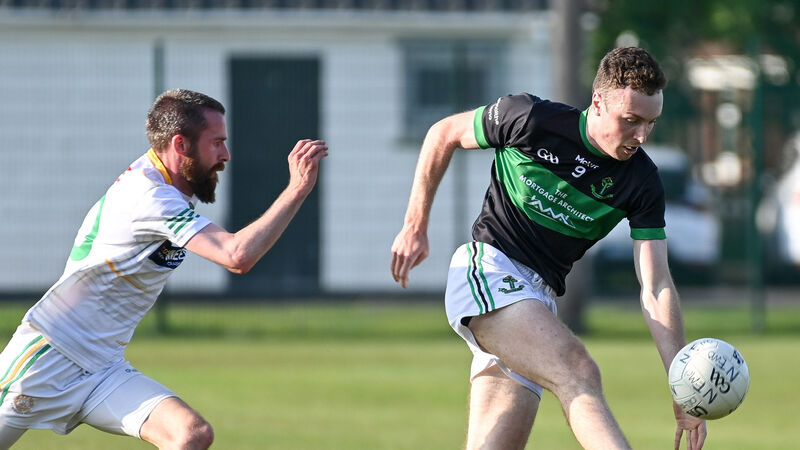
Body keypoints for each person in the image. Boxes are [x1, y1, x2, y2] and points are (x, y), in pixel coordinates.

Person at [390, 47, 707, 450]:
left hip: (536, 303)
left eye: (650, 123)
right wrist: (414, 225)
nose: (641, 136)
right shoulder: (529, 118)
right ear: (598, 103)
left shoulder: (642, 182)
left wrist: (681, 384)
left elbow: (656, 286)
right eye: (631, 120)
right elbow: (444, 133)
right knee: (579, 370)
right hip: (488, 269)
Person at [0, 89, 328, 449]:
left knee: (191, 435)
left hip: (102, 367)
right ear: (180, 145)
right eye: (217, 143)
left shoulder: (162, 184)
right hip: (48, 357)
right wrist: (297, 189)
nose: (225, 155)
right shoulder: (151, 197)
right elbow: (237, 256)